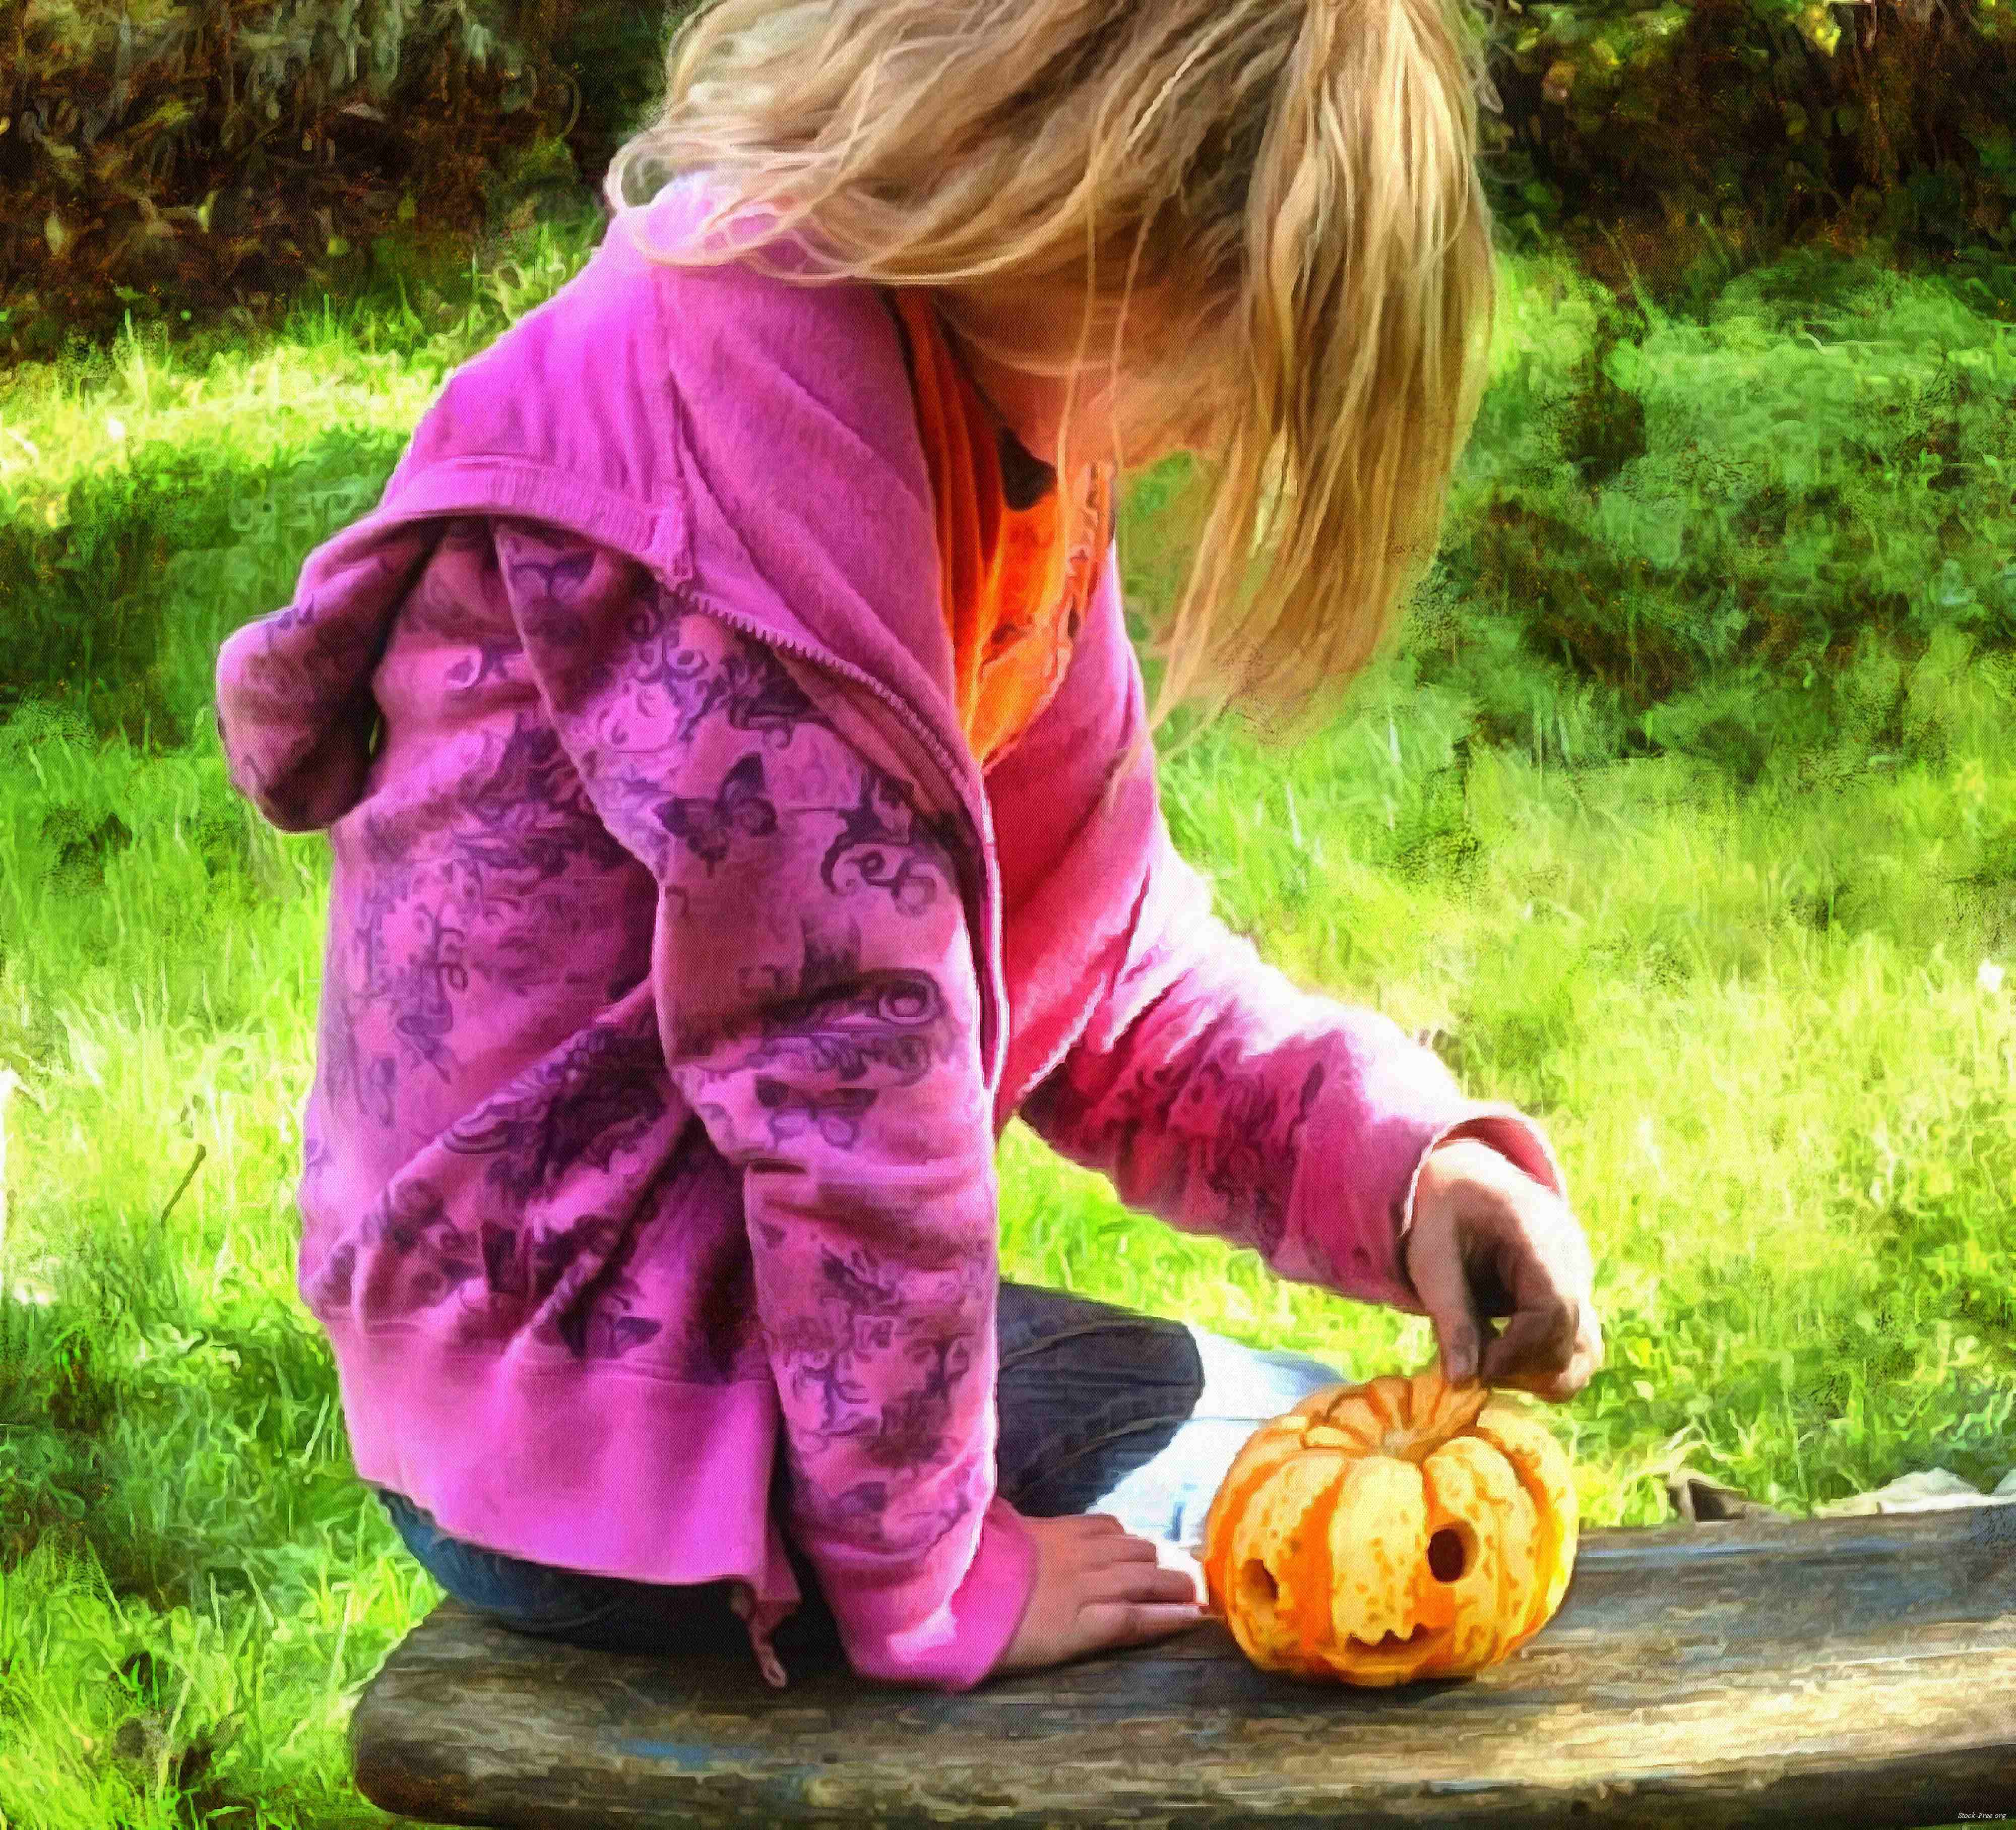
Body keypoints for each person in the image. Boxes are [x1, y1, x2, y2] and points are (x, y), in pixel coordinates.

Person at [214, 0, 1602, 1695]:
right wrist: (939, 1588)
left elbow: (1104, 963)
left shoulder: (1001, 418)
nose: (1229, 429)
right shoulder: (746, 515)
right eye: (1246, 356)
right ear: (1118, 223)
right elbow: (851, 1102)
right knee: (1315, 1578)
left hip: (751, 1350)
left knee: (1359, 1466)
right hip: (590, 1426)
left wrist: (1403, 1172)